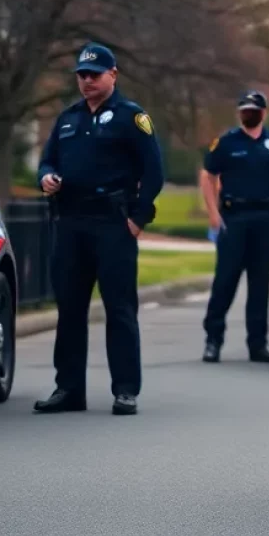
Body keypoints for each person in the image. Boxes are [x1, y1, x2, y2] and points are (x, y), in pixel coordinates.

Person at [33, 43, 164, 416]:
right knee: (70, 309)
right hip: (72, 222)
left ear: (113, 75)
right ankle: (69, 389)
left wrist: (138, 219)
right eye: (82, 75)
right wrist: (47, 178)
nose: (87, 81)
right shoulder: (68, 118)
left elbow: (154, 171)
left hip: (113, 224)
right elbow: (47, 161)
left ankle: (125, 389)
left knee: (119, 308)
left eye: (94, 74)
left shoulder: (131, 117)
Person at [200, 90, 269, 364]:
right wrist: (212, 212)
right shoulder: (227, 142)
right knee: (225, 281)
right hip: (234, 218)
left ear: (263, 113)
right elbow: (208, 174)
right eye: (244, 109)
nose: (248, 113)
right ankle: (213, 340)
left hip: (265, 219)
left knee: (260, 285)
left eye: (253, 109)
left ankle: (258, 344)